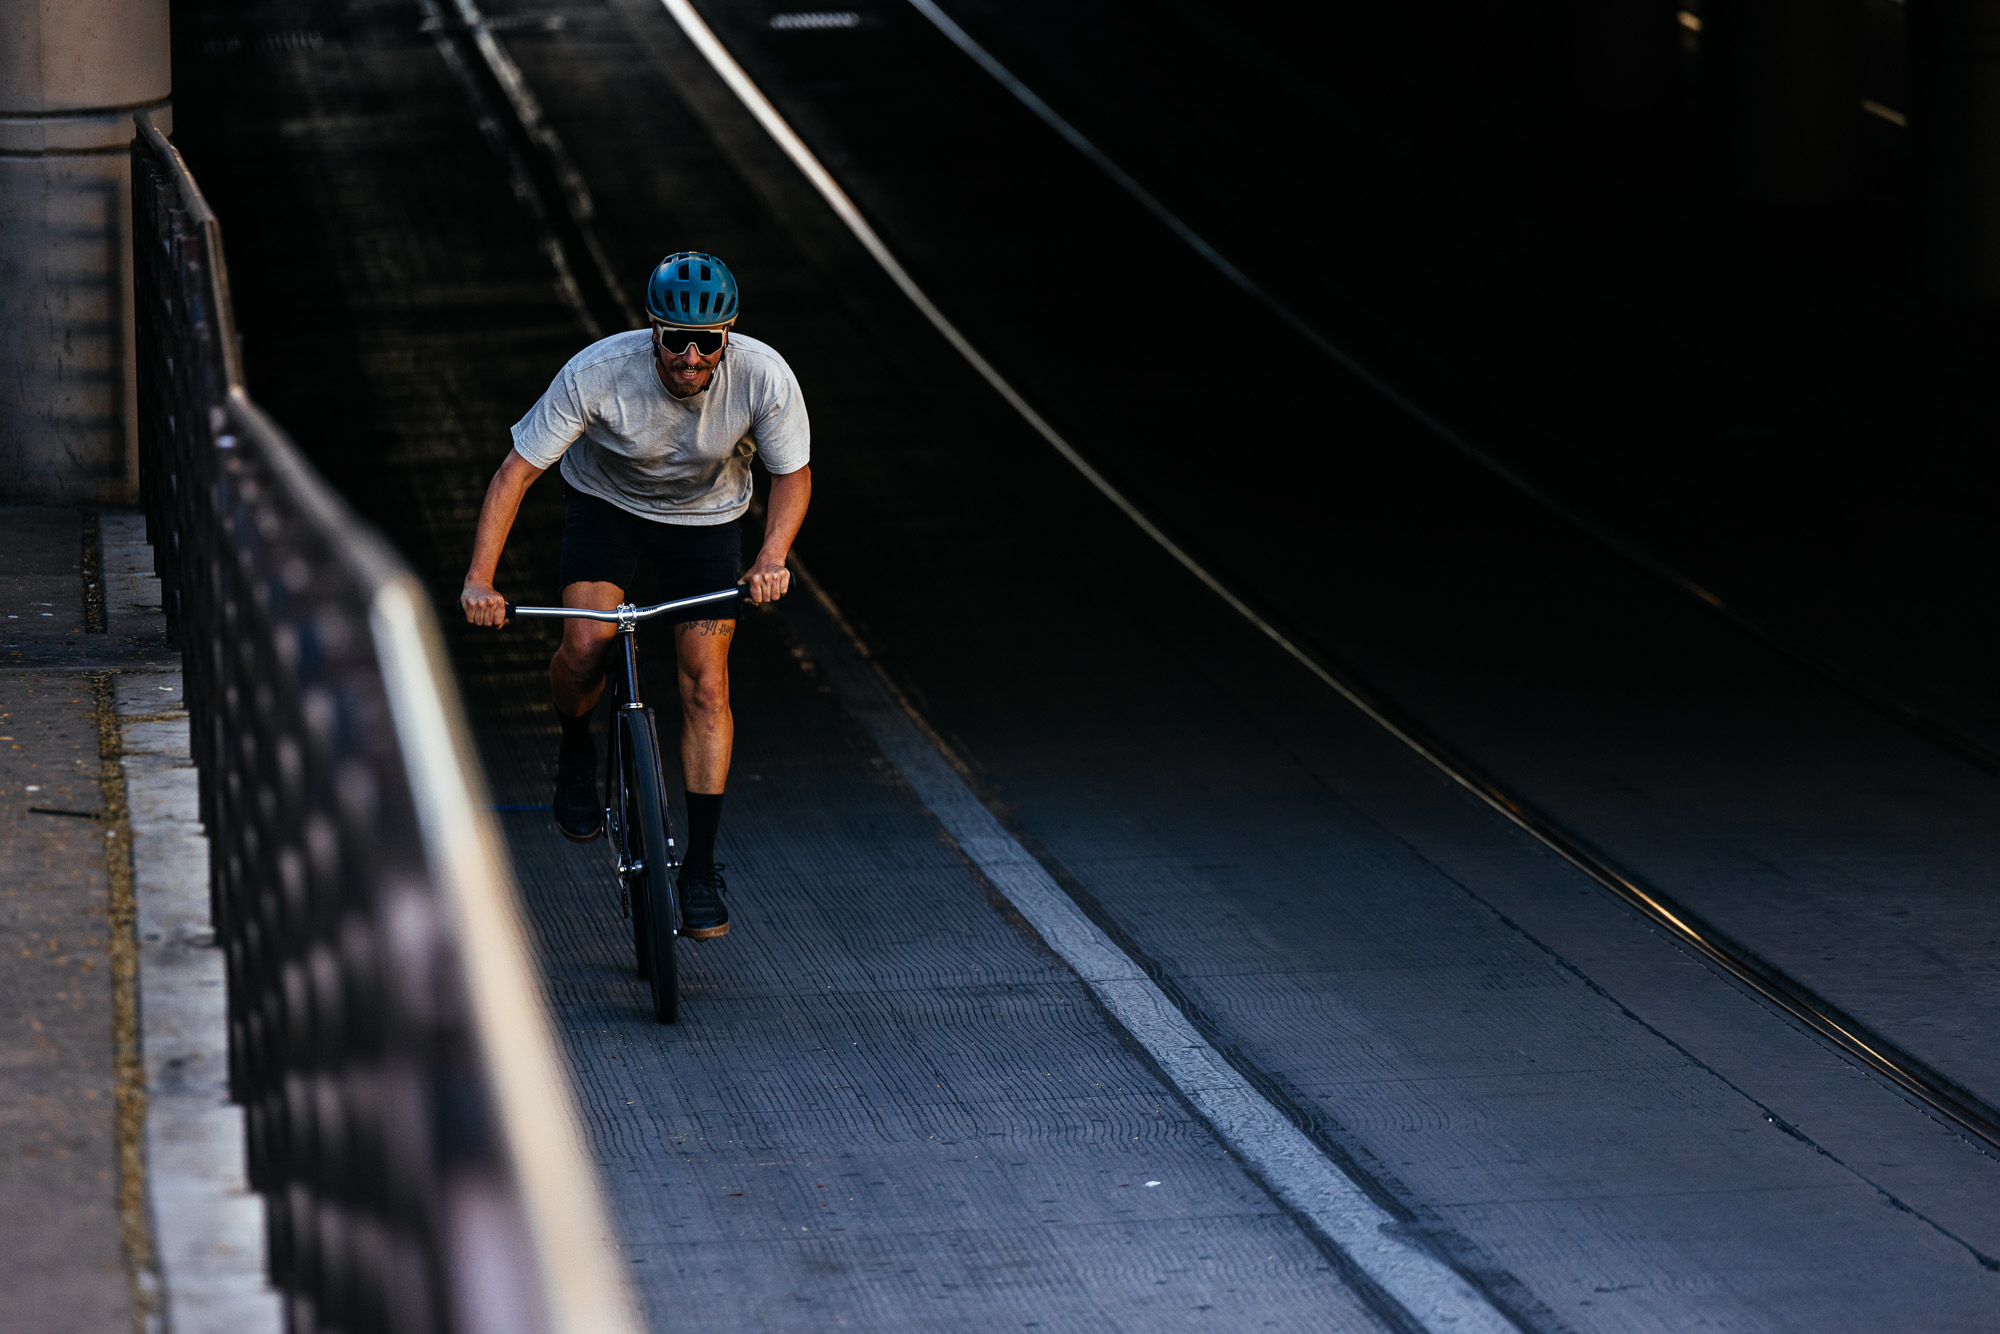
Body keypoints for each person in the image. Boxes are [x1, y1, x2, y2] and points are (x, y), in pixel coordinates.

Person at [459, 252, 811, 941]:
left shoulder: (763, 377)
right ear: (651, 329)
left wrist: (771, 557)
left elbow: (791, 476)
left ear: (727, 337)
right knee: (586, 644)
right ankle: (575, 750)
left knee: (706, 687)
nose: (689, 354)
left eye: (706, 341)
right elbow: (515, 474)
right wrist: (480, 578)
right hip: (608, 506)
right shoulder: (596, 374)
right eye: (675, 336)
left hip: (708, 522)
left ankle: (701, 868)